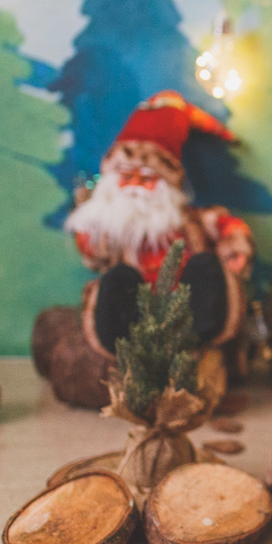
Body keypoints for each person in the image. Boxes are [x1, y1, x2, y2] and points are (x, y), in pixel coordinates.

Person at [63, 91, 253, 356]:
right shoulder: (112, 227)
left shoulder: (185, 220)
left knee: (206, 268)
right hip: (135, 315)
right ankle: (127, 351)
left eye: (146, 179)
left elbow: (225, 224)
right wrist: (90, 220)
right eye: (127, 177)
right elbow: (92, 253)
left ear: (166, 185)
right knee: (117, 280)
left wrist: (235, 247)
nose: (135, 187)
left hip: (187, 312)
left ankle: (195, 345)